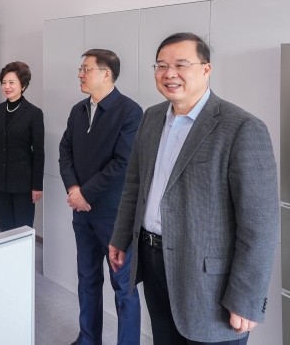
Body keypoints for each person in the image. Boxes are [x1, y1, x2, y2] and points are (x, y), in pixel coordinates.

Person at [108, 33, 279, 345]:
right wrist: (121, 236)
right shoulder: (152, 117)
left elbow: (260, 225)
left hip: (209, 281)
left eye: (181, 64)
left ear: (206, 69)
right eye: (161, 65)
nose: (169, 73)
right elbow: (134, 184)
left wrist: (247, 297)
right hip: (152, 259)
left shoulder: (241, 127)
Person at [59, 49, 142, 345]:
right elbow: (65, 151)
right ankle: (88, 339)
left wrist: (84, 193)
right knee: (87, 278)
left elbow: (123, 163)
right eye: (80, 69)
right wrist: (73, 189)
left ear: (106, 74)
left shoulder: (130, 111)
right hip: (81, 213)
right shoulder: (78, 110)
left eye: (86, 69)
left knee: (124, 288)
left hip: (113, 216)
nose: (80, 74)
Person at [0, 61, 44, 231]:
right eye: (4, 82)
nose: (6, 87)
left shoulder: (34, 113)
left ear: (23, 85)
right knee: (5, 227)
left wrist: (37, 185)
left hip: (23, 182)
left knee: (23, 228)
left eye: (11, 82)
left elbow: (38, 152)